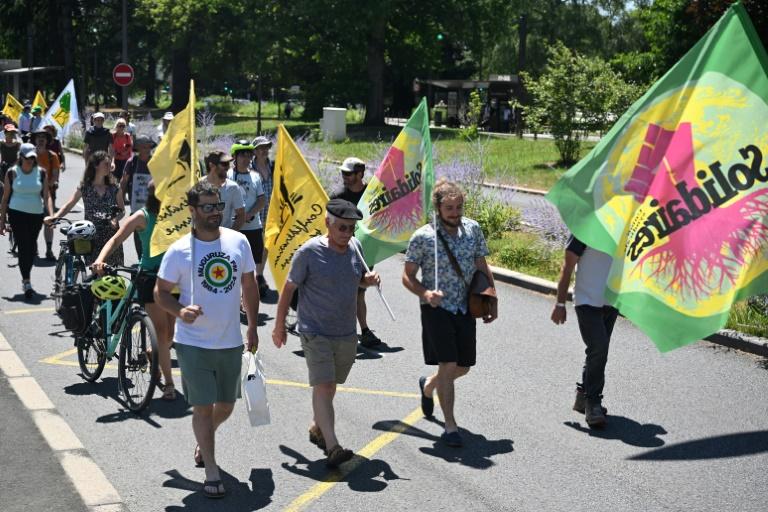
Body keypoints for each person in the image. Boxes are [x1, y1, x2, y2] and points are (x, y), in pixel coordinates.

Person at [155, 180, 260, 499]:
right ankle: (212, 470)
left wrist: (253, 326)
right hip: (193, 343)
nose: (216, 212)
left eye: (218, 206)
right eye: (208, 207)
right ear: (192, 211)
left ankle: (205, 439)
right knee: (202, 408)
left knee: (226, 406)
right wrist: (180, 311)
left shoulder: (239, 242)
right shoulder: (179, 250)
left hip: (229, 340)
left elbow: (249, 285)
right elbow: (159, 293)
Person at [272, 198, 380, 467]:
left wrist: (369, 280)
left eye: (351, 228)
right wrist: (278, 325)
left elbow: (357, 279)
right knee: (325, 385)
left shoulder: (355, 247)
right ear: (327, 224)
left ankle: (318, 426)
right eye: (342, 227)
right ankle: (333, 447)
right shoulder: (309, 252)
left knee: (330, 386)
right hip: (314, 330)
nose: (347, 233)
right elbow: (289, 288)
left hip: (345, 332)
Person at [402, 178, 497, 448]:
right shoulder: (423, 237)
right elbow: (407, 276)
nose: (455, 213)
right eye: (449, 208)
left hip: (466, 306)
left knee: (463, 367)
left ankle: (429, 386)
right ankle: (450, 426)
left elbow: (482, 265)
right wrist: (425, 294)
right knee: (448, 364)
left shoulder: (473, 229)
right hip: (436, 309)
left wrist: (492, 298)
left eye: (458, 207)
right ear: (438, 208)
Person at [92, 182, 178, 400]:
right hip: (149, 277)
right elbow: (116, 238)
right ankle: (169, 384)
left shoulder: (176, 216)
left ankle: (153, 354)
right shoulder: (143, 217)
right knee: (160, 330)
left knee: (170, 334)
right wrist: (100, 260)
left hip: (174, 278)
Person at [551, 235, 617, 429]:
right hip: (586, 300)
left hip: (611, 301)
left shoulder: (623, 229)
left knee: (596, 352)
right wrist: (560, 303)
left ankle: (582, 396)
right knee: (599, 348)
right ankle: (593, 403)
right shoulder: (584, 230)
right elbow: (567, 267)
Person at [330, 157, 382, 348]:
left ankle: (363, 331)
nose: (344, 176)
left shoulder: (373, 195)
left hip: (367, 250)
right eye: (343, 173)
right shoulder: (337, 197)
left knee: (359, 291)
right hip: (342, 250)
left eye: (348, 173)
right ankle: (356, 330)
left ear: (360, 174)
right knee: (348, 291)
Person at [45, 151, 124, 266]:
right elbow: (69, 204)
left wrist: (115, 219)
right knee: (95, 272)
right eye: (106, 164)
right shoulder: (85, 187)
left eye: (110, 164)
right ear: (96, 165)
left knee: (111, 275)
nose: (109, 167)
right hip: (91, 234)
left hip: (111, 236)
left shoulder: (114, 187)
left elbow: (122, 210)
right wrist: (55, 217)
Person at [0, 143, 53, 299]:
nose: (30, 160)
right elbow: (4, 199)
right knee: (24, 247)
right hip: (17, 214)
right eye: (28, 158)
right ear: (21, 157)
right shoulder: (12, 173)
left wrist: (50, 214)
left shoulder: (41, 173)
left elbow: (47, 195)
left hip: (36, 215)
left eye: (32, 158)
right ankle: (26, 281)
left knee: (31, 248)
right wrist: (2, 220)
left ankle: (26, 276)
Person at [229, 141, 265, 294]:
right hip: (233, 228)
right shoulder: (228, 175)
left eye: (248, 154)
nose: (246, 158)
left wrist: (248, 214)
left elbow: (262, 200)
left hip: (253, 227)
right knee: (233, 265)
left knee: (251, 264)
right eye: (242, 154)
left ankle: (247, 296)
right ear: (234, 157)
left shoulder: (255, 177)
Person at [119, 136, 155, 259]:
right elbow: (123, 182)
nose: (147, 149)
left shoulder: (155, 162)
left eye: (149, 146)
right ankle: (141, 261)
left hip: (154, 208)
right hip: (137, 208)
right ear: (138, 148)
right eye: (144, 146)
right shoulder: (132, 162)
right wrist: (121, 201)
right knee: (139, 239)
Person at [250, 136, 274, 296]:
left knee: (266, 246)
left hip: (271, 213)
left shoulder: (273, 166)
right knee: (253, 246)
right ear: (255, 151)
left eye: (266, 147)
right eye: (260, 148)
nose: (264, 150)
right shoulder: (249, 168)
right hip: (254, 213)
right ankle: (250, 277)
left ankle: (259, 275)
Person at [32, 129, 61, 260]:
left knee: (49, 221)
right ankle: (33, 247)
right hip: (30, 194)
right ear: (35, 140)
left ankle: (49, 250)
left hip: (48, 193)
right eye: (39, 137)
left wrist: (46, 185)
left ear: (47, 140)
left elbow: (55, 175)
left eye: (44, 137)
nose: (41, 139)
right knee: (32, 222)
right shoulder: (29, 155)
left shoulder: (52, 156)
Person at [202, 150, 245, 230]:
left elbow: (241, 215)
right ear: (211, 166)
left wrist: (230, 235)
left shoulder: (233, 187)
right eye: (224, 164)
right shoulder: (197, 186)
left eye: (228, 164)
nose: (228, 167)